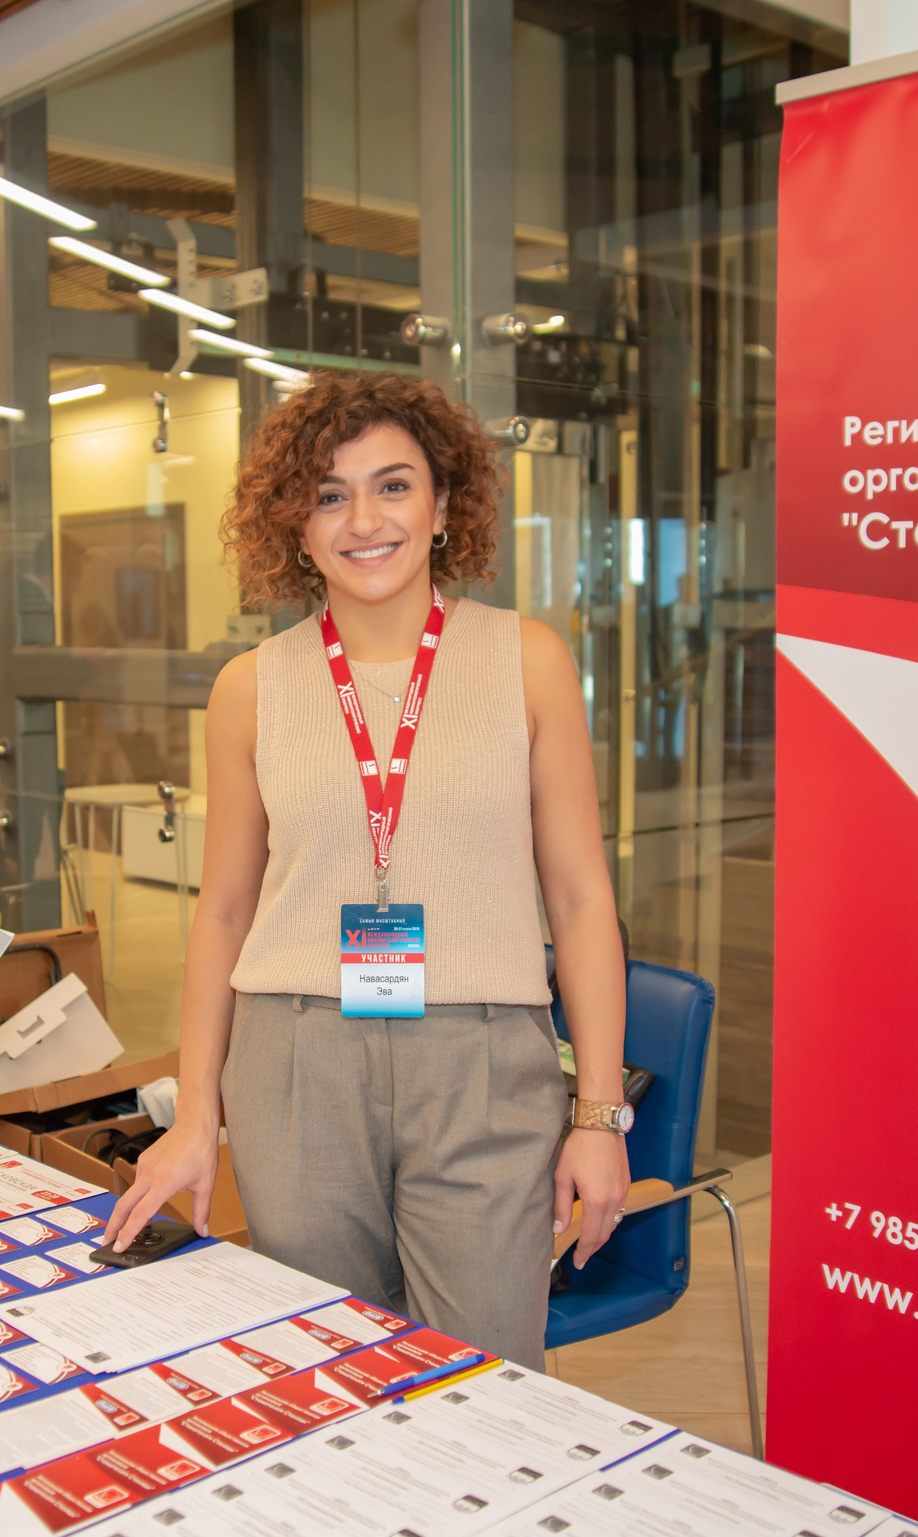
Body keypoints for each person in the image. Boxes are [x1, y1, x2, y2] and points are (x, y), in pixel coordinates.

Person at [103, 373, 632, 1371]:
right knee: (324, 1376)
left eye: (392, 486)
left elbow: (580, 899)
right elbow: (220, 912)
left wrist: (597, 1113)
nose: (363, 520)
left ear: (442, 505)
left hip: (482, 1065)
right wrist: (197, 1114)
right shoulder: (247, 689)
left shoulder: (527, 660)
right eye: (329, 494)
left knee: (487, 1381)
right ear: (293, 525)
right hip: (297, 1063)